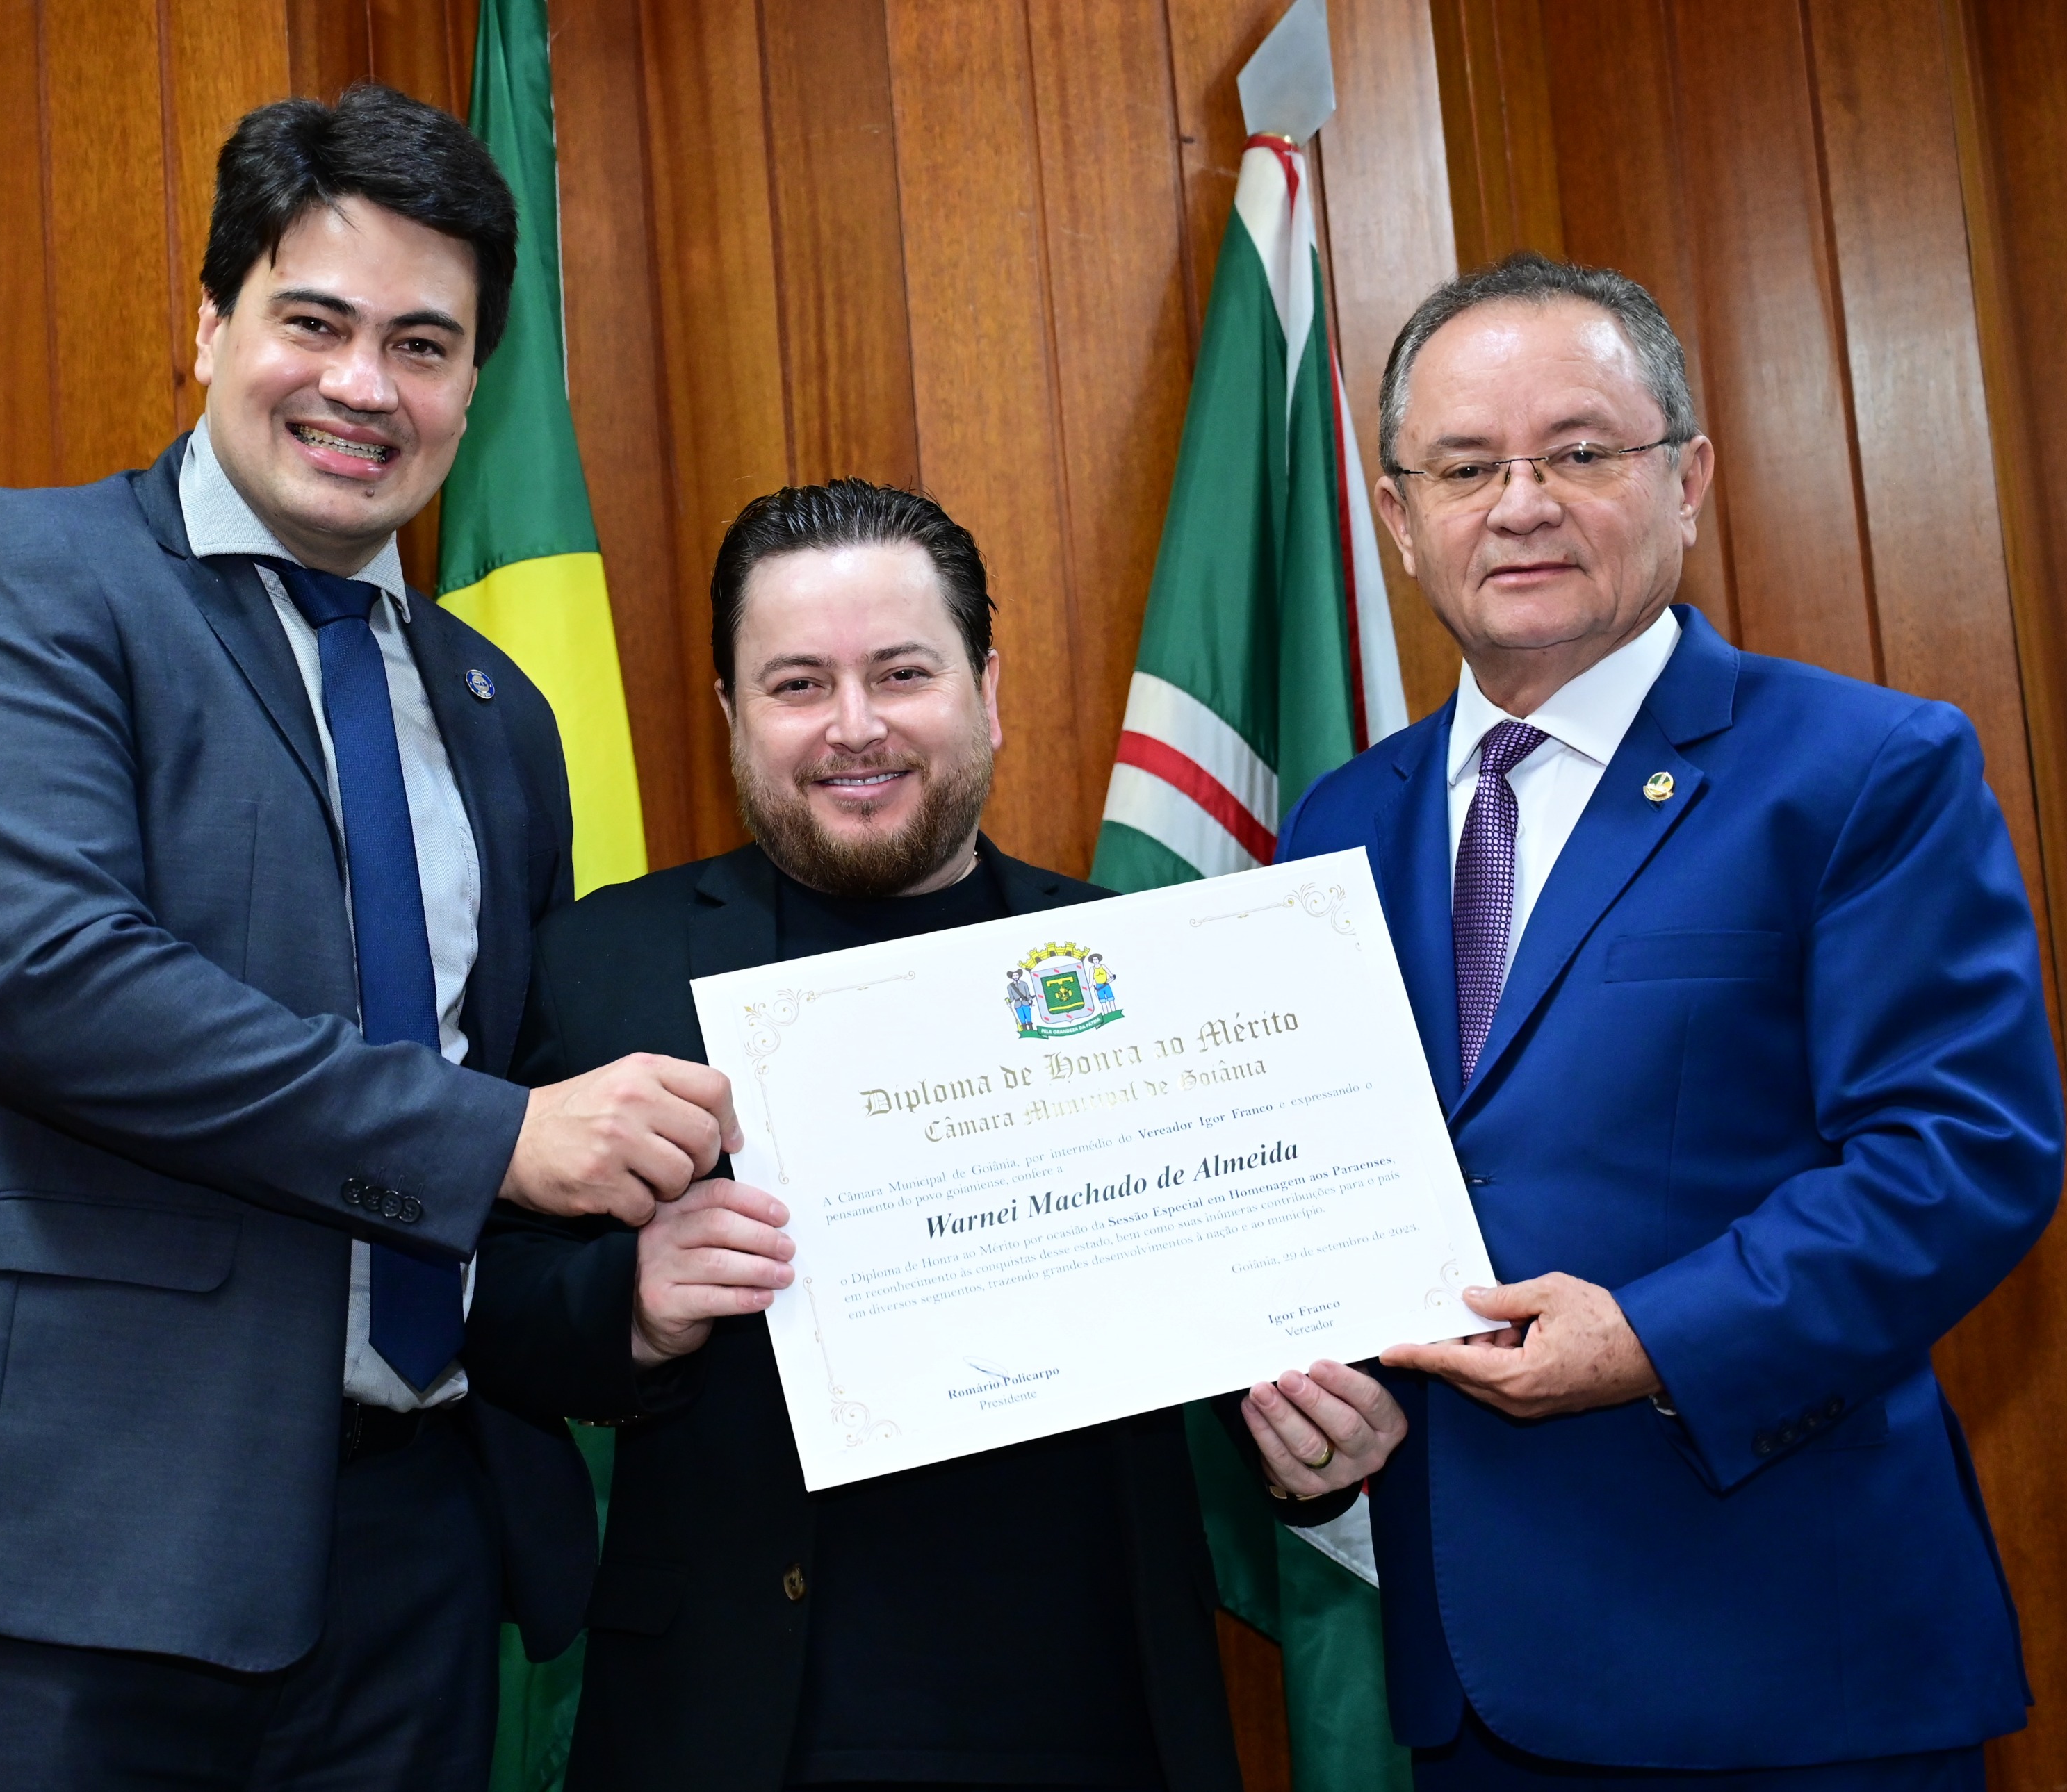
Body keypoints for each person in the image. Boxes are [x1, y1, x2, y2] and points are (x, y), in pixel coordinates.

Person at [0, 85, 740, 1791]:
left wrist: (626, 1293)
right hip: (52, 1558)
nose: (364, 385)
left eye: (423, 346)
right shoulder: (25, 576)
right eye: (315, 322)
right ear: (212, 326)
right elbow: (54, 986)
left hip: (413, 1562)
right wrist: (503, 1139)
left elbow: (514, 1118)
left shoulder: (498, 715)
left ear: (471, 388)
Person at [466, 480, 1403, 1792]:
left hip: (1102, 1719)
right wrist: (629, 1304)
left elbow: (1283, 1311)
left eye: (901, 674)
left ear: (987, 689)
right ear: (733, 715)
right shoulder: (597, 968)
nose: (855, 727)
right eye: (798, 684)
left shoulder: (1158, 971)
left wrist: (1320, 1453)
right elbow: (479, 1301)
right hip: (732, 1727)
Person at [1271, 252, 2063, 1789]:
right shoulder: (1337, 826)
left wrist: (1651, 1337)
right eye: (1464, 467)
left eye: (1578, 452)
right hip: (1470, 1688)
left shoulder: (1863, 768)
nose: (1519, 505)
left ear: (1687, 478)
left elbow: (1960, 1159)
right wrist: (1308, 1405)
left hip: (1787, 1671)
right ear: (1397, 518)